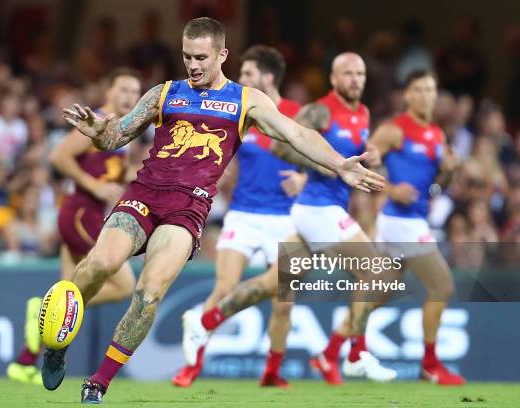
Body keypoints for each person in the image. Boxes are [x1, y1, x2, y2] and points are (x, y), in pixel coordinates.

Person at [56, 17, 384, 403]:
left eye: (200, 57)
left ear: (222, 54)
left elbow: (297, 135)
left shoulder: (245, 100)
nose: (192, 65)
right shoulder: (165, 93)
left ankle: (99, 382)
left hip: (188, 208)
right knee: (100, 265)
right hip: (144, 195)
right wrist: (99, 133)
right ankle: (57, 339)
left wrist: (339, 163)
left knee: (148, 292)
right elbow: (117, 135)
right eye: (186, 56)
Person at [183, 53, 397, 386]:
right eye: (348, 73)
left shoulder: (363, 114)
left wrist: (372, 155)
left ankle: (206, 320)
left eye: (360, 73)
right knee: (376, 272)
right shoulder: (319, 110)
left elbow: (352, 153)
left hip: (317, 210)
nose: (356, 79)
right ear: (333, 78)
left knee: (272, 287)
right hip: (316, 208)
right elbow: (283, 150)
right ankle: (354, 353)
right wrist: (318, 168)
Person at [172, 45, 304, 388]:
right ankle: (191, 367)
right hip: (243, 214)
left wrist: (304, 178)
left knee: (284, 301)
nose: (240, 79)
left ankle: (272, 371)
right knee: (224, 286)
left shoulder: (296, 114)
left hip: (285, 219)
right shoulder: (240, 110)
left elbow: (315, 153)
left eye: (247, 74)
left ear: (268, 77)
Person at [327, 70, 465, 385]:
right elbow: (362, 161)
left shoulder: (436, 133)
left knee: (378, 295)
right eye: (419, 90)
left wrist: (450, 173)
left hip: (411, 220)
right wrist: (390, 189)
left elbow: (436, 186)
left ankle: (329, 351)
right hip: (400, 222)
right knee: (442, 286)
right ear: (408, 95)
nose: (426, 96)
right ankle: (430, 365)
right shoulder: (395, 129)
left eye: (431, 89)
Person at [6, 68, 141, 384]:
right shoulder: (98, 120)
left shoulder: (122, 131)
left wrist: (128, 176)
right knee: (123, 285)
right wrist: (93, 186)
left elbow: (110, 171)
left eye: (135, 92)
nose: (130, 97)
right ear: (109, 90)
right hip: (82, 213)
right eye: (124, 89)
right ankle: (46, 308)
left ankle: (25, 361)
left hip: (86, 215)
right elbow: (59, 156)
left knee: (70, 286)